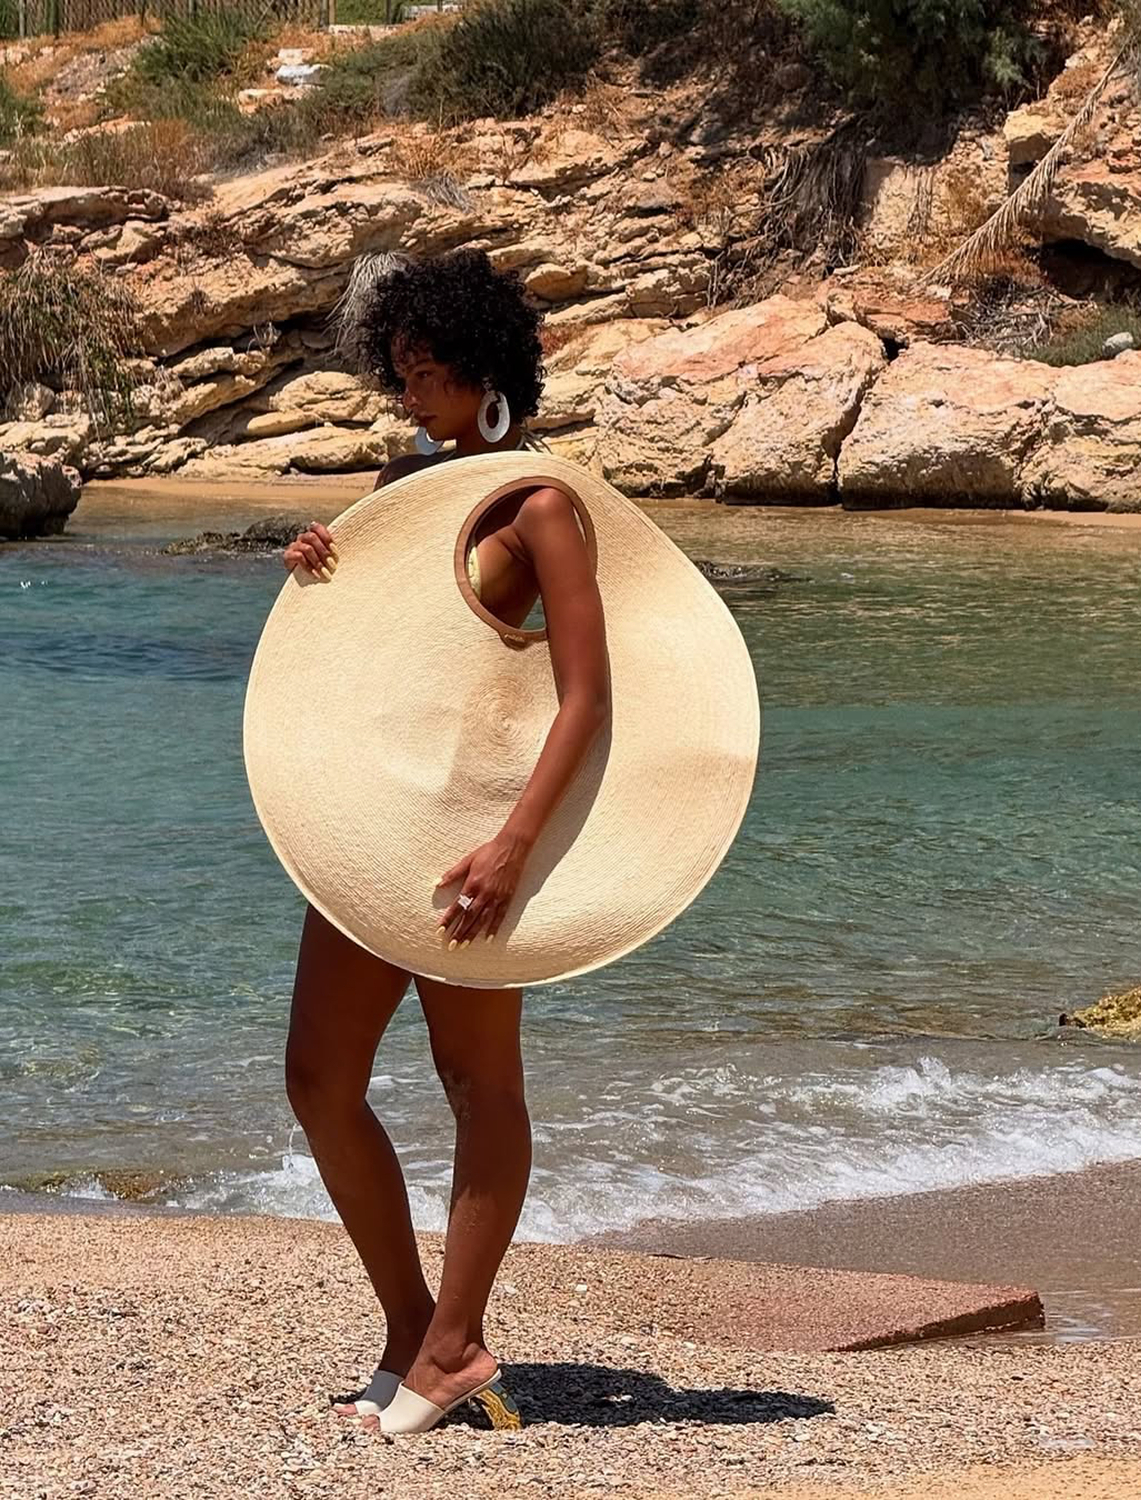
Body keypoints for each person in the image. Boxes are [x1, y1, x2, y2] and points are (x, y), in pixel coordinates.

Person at [280, 249, 611, 1435]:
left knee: (477, 1082)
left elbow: (586, 697)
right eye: (402, 374)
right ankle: (413, 1331)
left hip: (477, 830)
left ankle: (456, 1341)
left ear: (486, 372)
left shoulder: (540, 507)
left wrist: (516, 845)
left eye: (429, 374)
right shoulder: (400, 487)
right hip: (379, 820)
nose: (411, 396)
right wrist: (317, 572)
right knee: (317, 1079)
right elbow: (366, 652)